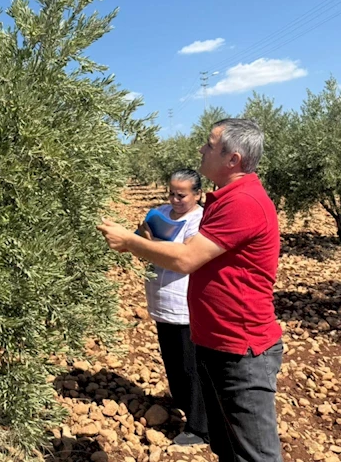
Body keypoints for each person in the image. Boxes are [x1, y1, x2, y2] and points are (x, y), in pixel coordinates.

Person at [97, 119, 283, 462]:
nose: (201, 149)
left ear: (233, 159)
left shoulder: (243, 202)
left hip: (242, 350)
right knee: (228, 446)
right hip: (218, 342)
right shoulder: (226, 199)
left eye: (209, 145)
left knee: (256, 455)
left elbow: (185, 259)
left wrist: (129, 242)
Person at [142, 169, 208, 446]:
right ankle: (181, 405)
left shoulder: (199, 219)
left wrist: (150, 243)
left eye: (181, 195)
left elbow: (185, 256)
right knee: (172, 360)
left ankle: (199, 428)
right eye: (171, 193)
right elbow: (141, 234)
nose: (175, 199)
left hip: (184, 304)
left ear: (197, 194)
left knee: (191, 366)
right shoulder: (160, 212)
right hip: (161, 301)